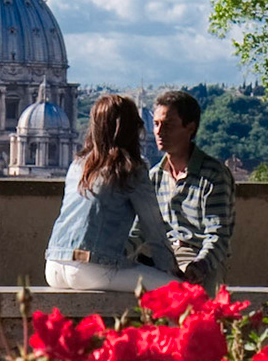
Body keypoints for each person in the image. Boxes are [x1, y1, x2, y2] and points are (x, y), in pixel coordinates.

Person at [44, 94, 179, 292]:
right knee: (184, 292)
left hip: (54, 266)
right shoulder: (132, 168)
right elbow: (154, 229)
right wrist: (172, 269)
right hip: (91, 268)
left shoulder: (77, 165)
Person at [143, 89, 237, 289]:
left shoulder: (213, 175)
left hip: (197, 257)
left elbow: (218, 236)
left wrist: (199, 266)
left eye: (168, 125)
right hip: (163, 257)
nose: (159, 131)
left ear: (190, 128)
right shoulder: (155, 176)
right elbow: (139, 229)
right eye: (156, 124)